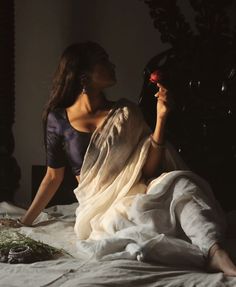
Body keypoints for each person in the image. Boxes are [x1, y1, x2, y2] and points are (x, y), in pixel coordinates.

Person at [1, 41, 236, 276]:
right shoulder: (58, 119)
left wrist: (161, 118)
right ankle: (196, 253)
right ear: (83, 76)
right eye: (103, 60)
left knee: (182, 184)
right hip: (102, 207)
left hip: (139, 189)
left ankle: (215, 251)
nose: (112, 65)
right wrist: (25, 222)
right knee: (124, 225)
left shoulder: (126, 113)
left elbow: (148, 168)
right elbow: (53, 176)